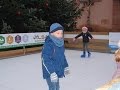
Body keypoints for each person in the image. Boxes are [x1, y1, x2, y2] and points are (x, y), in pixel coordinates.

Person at [41, 23, 70, 90]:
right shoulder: (48, 44)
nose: (60, 35)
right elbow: (45, 60)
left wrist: (65, 66)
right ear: (52, 33)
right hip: (50, 71)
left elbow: (62, 55)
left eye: (61, 33)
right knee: (52, 88)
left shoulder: (60, 43)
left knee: (57, 87)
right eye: (58, 33)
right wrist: (52, 72)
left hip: (57, 70)